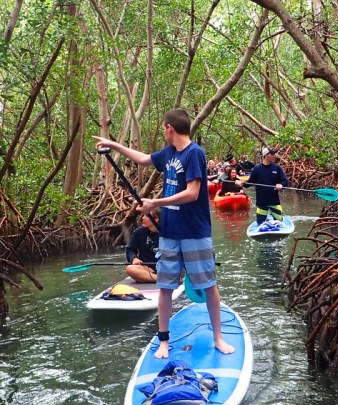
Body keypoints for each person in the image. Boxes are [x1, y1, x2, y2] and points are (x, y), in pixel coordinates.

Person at [93, 108, 234, 358]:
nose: (163, 133)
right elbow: (143, 159)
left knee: (209, 285)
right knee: (165, 286)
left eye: (163, 129)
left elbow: (192, 193)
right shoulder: (168, 153)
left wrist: (155, 203)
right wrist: (113, 145)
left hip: (195, 232)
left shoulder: (194, 154)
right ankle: (164, 342)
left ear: (170, 128)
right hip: (169, 233)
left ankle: (218, 337)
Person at [241, 146, 288, 225]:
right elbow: (250, 182)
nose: (274, 155)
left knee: (280, 223)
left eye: (274, 154)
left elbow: (285, 181)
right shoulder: (257, 168)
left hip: (274, 202)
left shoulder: (277, 168)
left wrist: (281, 185)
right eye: (272, 154)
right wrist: (241, 184)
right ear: (265, 155)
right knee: (260, 224)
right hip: (261, 203)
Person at [125, 212, 160, 283]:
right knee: (130, 269)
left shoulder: (167, 231)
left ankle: (155, 278)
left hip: (167, 267)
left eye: (146, 216)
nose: (142, 218)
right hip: (148, 269)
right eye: (143, 215)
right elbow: (130, 249)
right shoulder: (139, 232)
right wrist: (134, 258)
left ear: (156, 219)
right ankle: (161, 279)